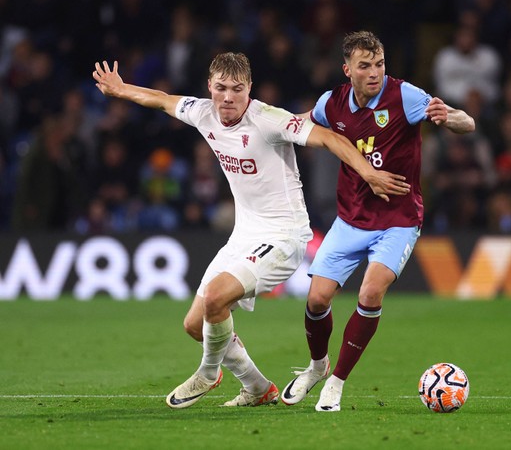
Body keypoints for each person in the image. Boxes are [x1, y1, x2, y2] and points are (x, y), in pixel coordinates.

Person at [92, 52, 410, 409]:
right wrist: (121, 90)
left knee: (215, 298)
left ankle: (208, 373)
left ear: (249, 90)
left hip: (283, 236)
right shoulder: (203, 112)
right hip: (243, 235)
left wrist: (367, 172)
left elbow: (329, 138)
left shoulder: (268, 120)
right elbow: (163, 100)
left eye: (237, 90)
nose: (228, 97)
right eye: (222, 88)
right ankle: (258, 387)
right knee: (196, 324)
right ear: (210, 87)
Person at [281, 31, 475, 412]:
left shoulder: (404, 95)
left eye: (380, 64)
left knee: (370, 294)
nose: (375, 73)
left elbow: (467, 122)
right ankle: (316, 367)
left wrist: (449, 117)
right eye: (365, 66)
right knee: (317, 300)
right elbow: (297, 124)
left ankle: (336, 382)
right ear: (347, 70)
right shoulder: (331, 103)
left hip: (398, 220)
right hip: (350, 219)